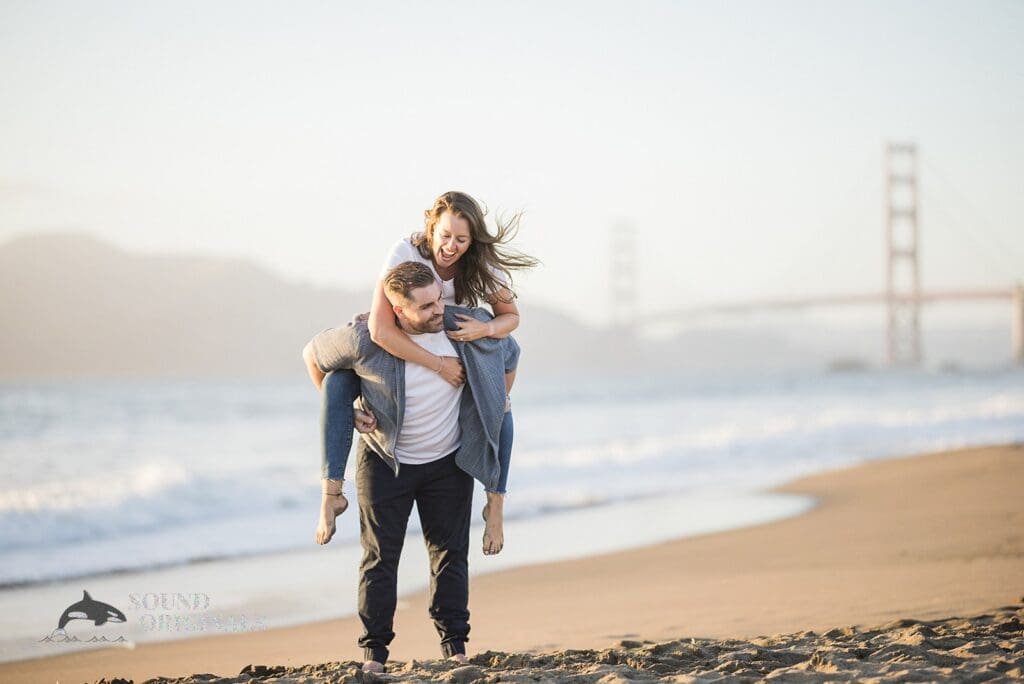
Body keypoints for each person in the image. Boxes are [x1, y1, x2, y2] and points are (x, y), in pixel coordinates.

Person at [302, 261, 520, 671]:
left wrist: (490, 402)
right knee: (380, 558)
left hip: (448, 462)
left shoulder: (461, 326)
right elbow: (312, 356)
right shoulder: (365, 339)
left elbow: (510, 352)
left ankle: (455, 647)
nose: (439, 310)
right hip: (385, 461)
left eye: (438, 299)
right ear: (398, 311)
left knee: (451, 555)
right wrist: (349, 413)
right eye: (426, 307)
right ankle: (374, 654)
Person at [315, 191, 538, 555]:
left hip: (456, 330)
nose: (451, 246)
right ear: (431, 228)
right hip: (405, 327)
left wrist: (484, 331)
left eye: (461, 239)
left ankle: (495, 502)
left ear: (472, 240)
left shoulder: (481, 264)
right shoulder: (405, 252)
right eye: (445, 235)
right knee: (338, 378)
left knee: (500, 401)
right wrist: (437, 364)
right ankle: (331, 492)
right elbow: (380, 330)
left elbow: (510, 318)